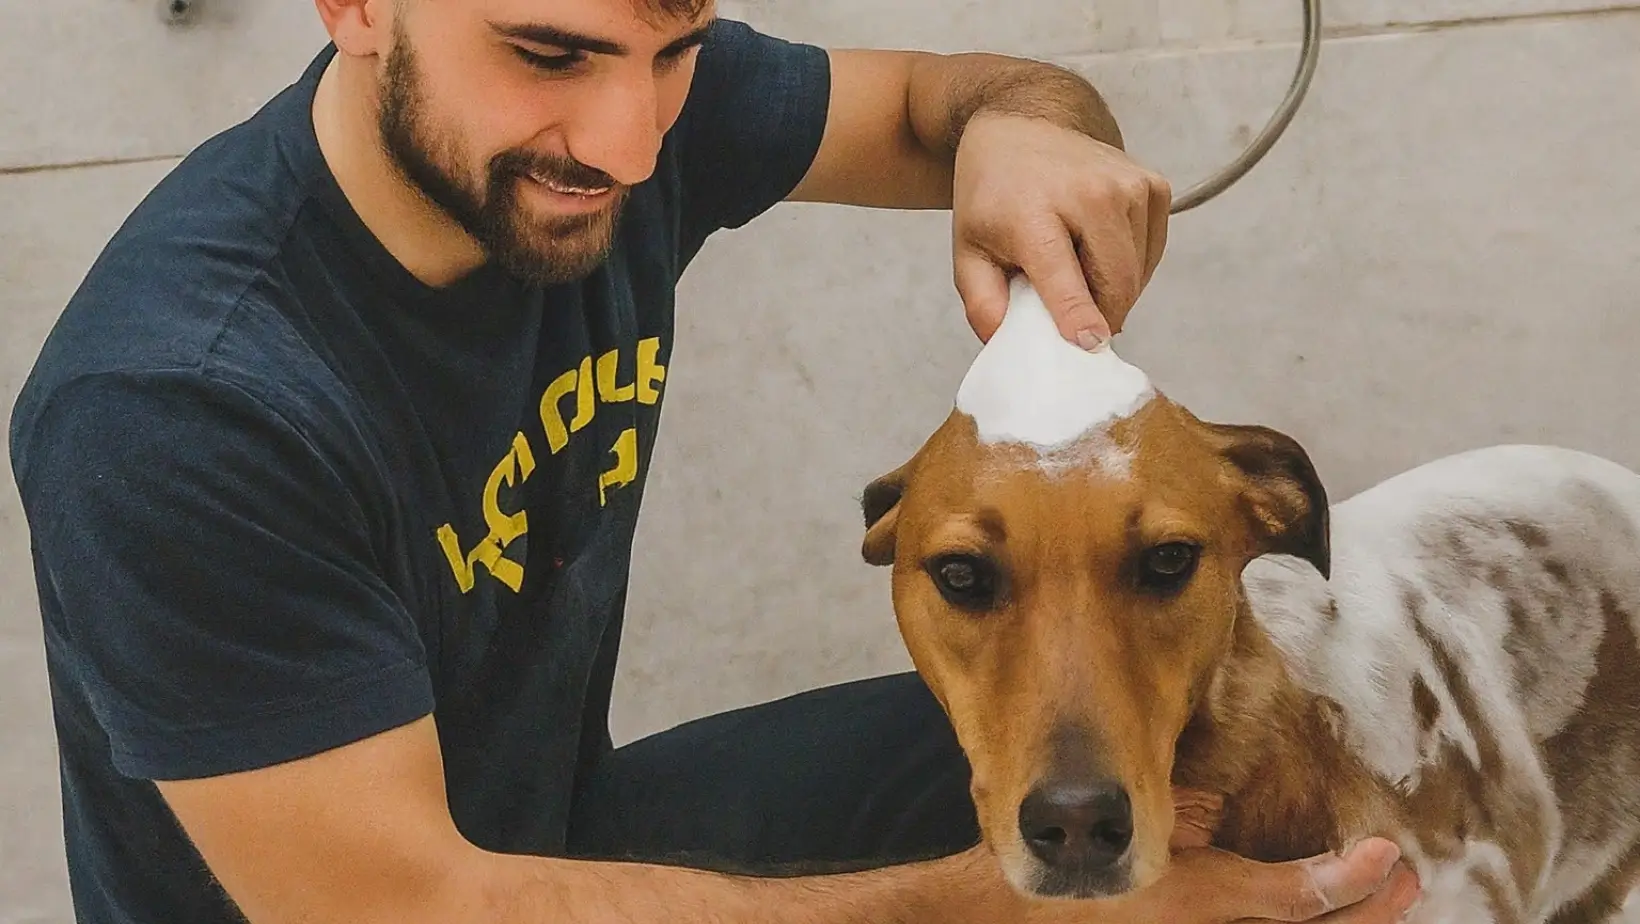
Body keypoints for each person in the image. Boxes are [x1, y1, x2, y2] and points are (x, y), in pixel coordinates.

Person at [8, 1, 1422, 922]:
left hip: (567, 828)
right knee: (1061, 881)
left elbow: (952, 93)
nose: (627, 144)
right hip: (413, 905)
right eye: (547, 55)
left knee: (1176, 773)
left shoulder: (614, 100)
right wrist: (1005, 910)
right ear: (360, 9)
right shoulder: (176, 405)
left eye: (675, 49)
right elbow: (417, 908)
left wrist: (1025, 137)